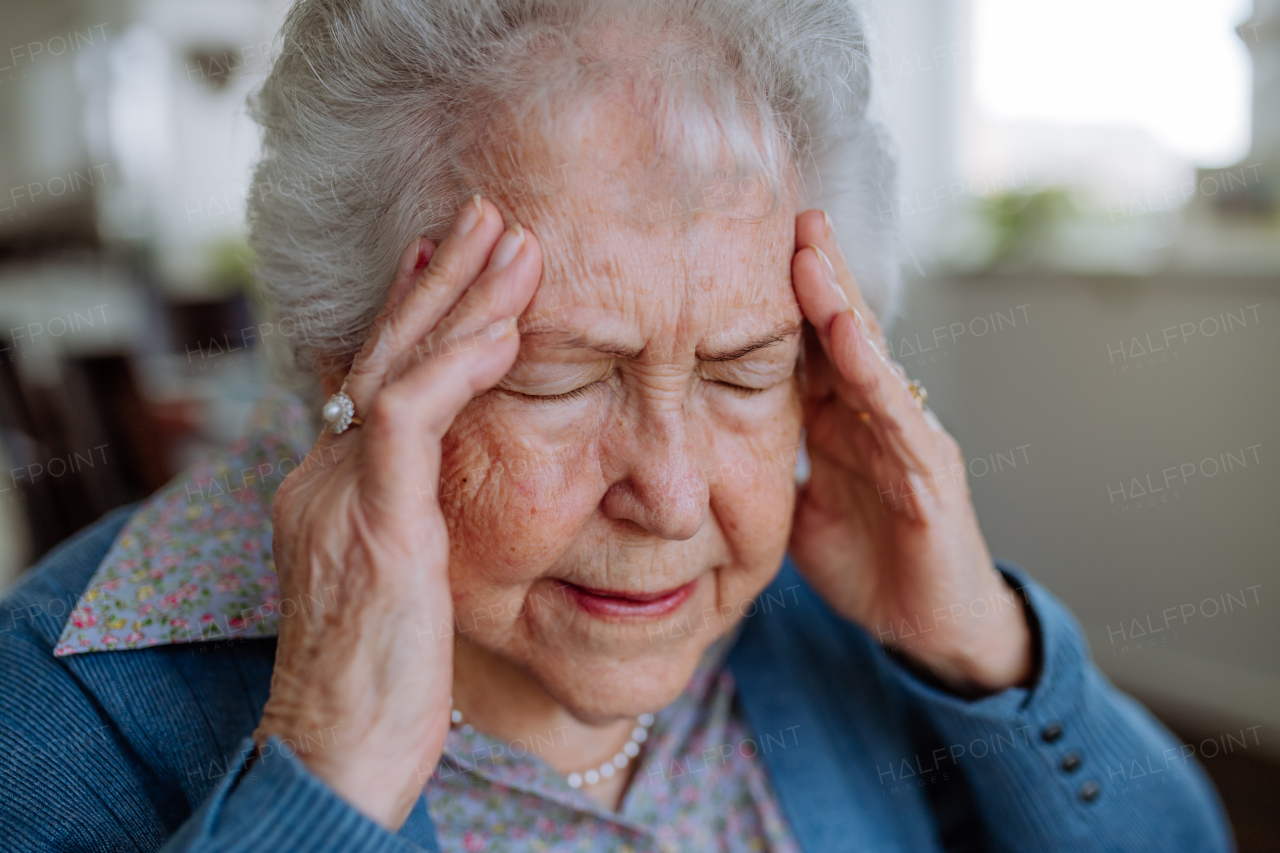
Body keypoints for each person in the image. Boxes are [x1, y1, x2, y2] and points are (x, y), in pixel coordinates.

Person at [0, 0, 1232, 850]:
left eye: (747, 370)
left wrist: (986, 656)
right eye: (559, 378)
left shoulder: (838, 595)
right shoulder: (59, 714)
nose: (676, 493)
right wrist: (326, 775)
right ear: (347, 351)